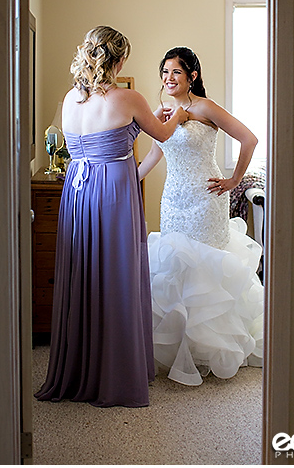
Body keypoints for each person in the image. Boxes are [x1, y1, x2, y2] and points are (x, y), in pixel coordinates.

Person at [35, 26, 189, 408]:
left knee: (84, 274)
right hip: (113, 191)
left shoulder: (71, 99)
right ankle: (115, 374)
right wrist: (179, 114)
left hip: (77, 189)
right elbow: (164, 134)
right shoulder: (129, 97)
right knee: (116, 276)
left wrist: (143, 119)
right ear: (118, 60)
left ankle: (79, 369)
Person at [137, 47, 264, 385]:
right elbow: (153, 155)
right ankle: (180, 349)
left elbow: (249, 138)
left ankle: (212, 350)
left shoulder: (204, 107)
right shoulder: (162, 111)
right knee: (176, 269)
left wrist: (234, 179)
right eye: (164, 72)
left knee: (205, 271)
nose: (168, 78)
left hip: (206, 200)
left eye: (175, 72)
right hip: (173, 201)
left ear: (191, 75)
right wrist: (127, 179)